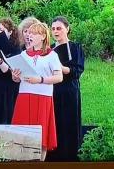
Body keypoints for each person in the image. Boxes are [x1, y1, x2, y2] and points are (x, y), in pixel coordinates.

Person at [11, 22, 63, 161]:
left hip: (42, 98)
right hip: (24, 96)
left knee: (41, 136)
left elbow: (59, 77)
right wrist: (15, 77)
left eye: (34, 33)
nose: (30, 36)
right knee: (21, 133)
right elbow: (17, 78)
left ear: (43, 36)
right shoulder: (24, 54)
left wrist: (39, 79)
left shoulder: (52, 55)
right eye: (29, 33)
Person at [45, 16, 85, 162]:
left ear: (67, 29)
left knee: (68, 124)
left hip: (69, 91)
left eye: (59, 28)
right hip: (52, 91)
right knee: (55, 125)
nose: (56, 32)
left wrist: (61, 68)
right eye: (53, 28)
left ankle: (70, 158)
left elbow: (77, 70)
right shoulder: (49, 50)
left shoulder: (75, 47)